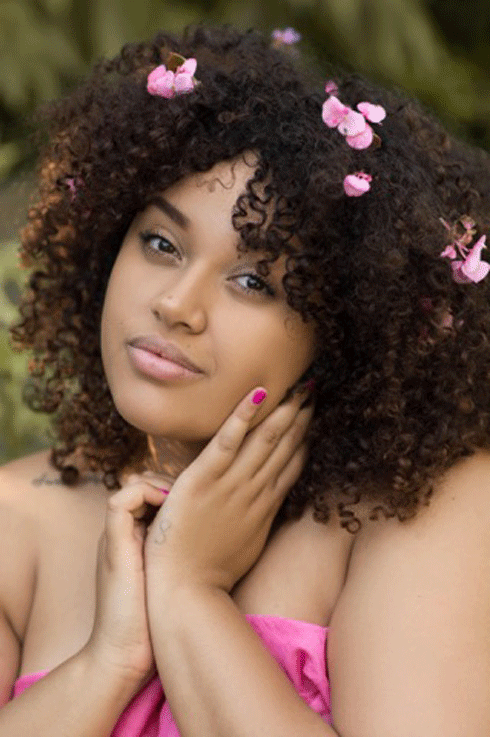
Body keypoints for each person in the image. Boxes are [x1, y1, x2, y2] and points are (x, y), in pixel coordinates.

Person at [0, 22, 489, 737]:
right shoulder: (18, 520)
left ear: (344, 327)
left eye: (254, 281)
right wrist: (108, 663)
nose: (176, 303)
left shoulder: (419, 507)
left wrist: (190, 593)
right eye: (161, 243)